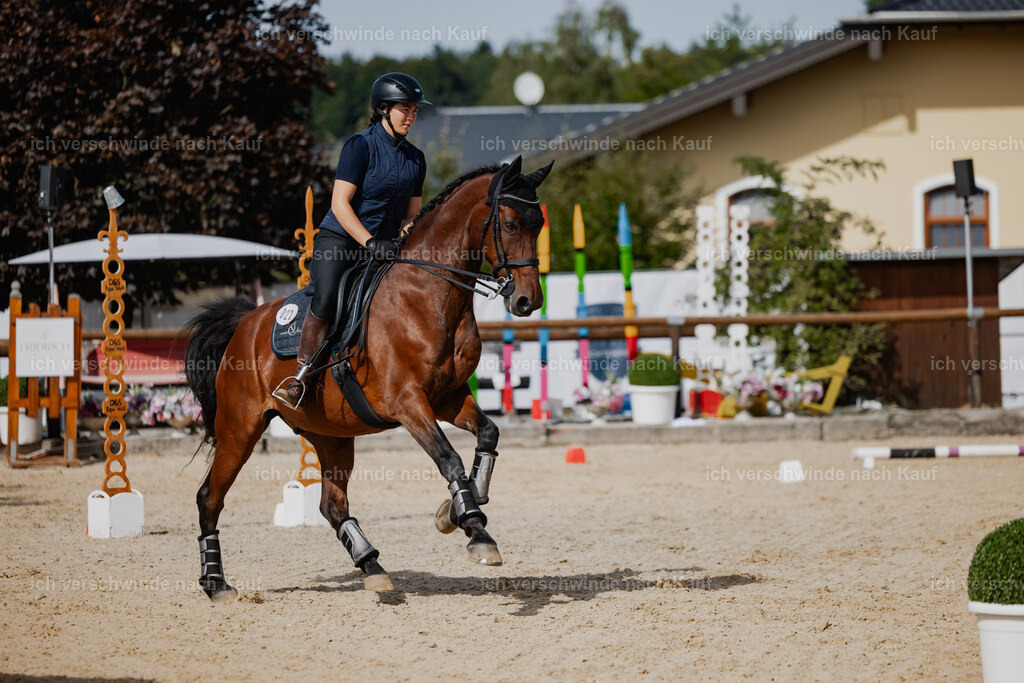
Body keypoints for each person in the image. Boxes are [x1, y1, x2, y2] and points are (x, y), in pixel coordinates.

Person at [273, 72, 430, 409]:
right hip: (341, 240)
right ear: (384, 109)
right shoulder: (360, 146)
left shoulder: (416, 159)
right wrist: (370, 241)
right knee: (328, 298)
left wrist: (403, 238)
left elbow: (411, 216)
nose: (412, 117)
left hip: (383, 248)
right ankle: (299, 377)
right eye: (406, 109)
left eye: (415, 110)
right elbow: (339, 204)